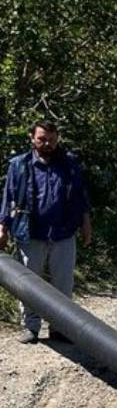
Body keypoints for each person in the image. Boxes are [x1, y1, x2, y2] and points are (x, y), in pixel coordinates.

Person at [0, 120, 92, 343]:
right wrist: (2, 227)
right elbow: (9, 196)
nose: (47, 143)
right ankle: (31, 327)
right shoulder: (19, 165)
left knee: (63, 284)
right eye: (42, 138)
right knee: (29, 284)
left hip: (63, 233)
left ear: (57, 138)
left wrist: (86, 223)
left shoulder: (69, 164)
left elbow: (81, 196)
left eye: (51, 139)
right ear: (32, 138)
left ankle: (60, 328)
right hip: (30, 233)